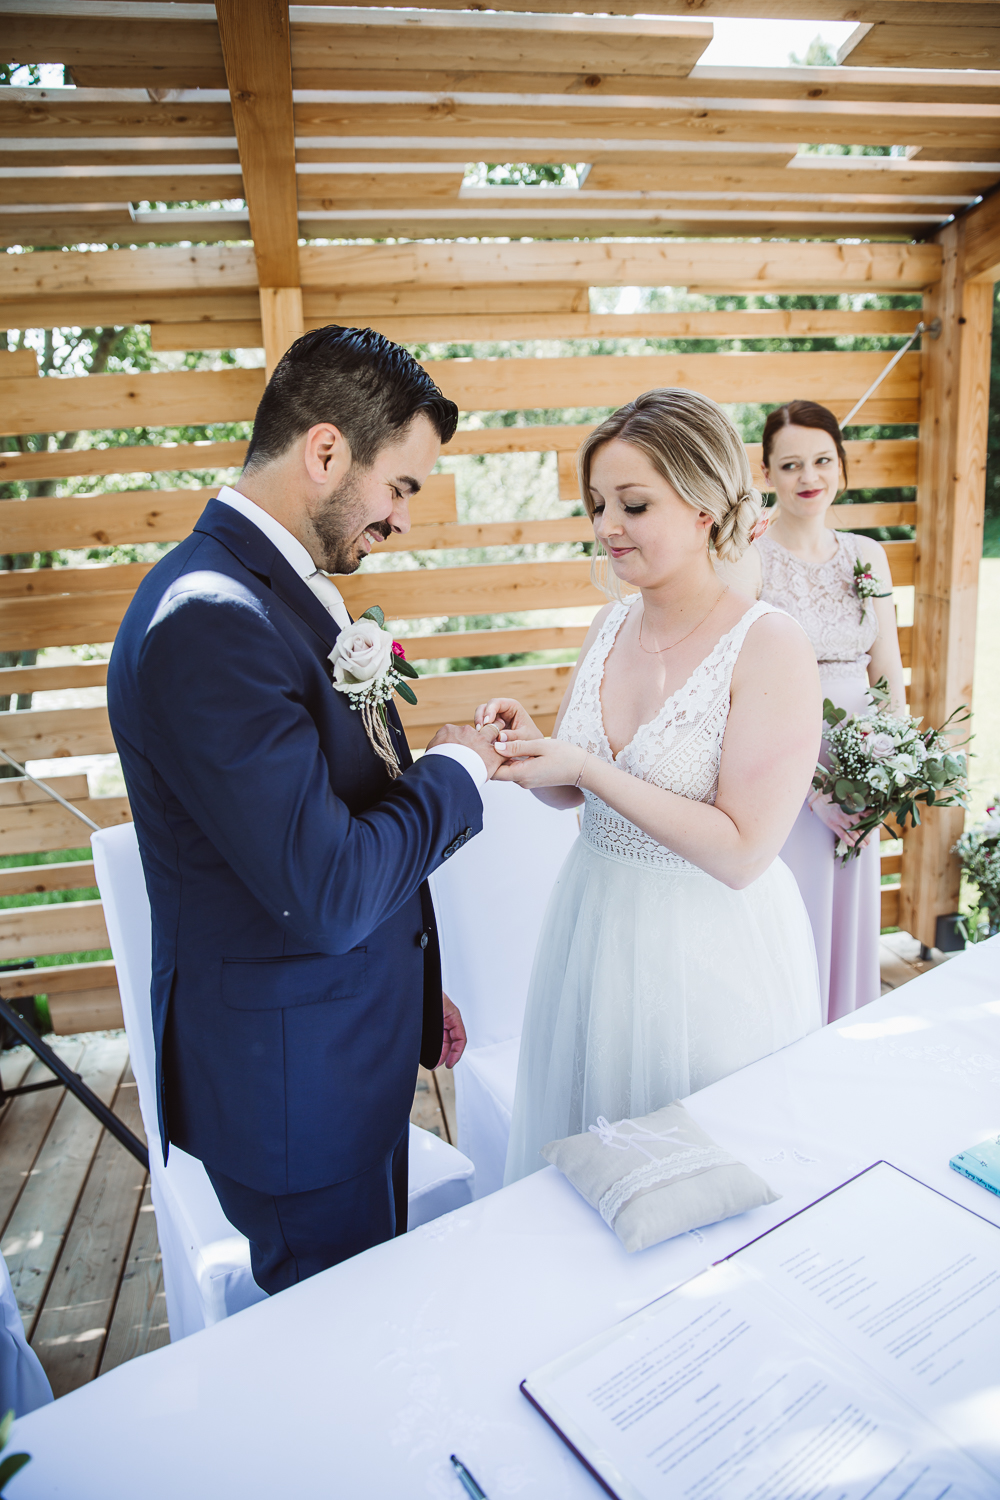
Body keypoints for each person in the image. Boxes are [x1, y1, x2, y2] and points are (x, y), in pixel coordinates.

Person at [109, 326, 502, 1294]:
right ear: (325, 451)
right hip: (295, 1096)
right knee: (344, 1354)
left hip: (332, 1045)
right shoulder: (213, 618)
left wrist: (405, 980)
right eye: (400, 486)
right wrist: (459, 771)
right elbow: (325, 888)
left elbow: (317, 827)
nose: (403, 519)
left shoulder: (271, 592)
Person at [476, 388, 824, 1185]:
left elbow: (743, 852)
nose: (606, 527)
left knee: (696, 1181)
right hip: (595, 926)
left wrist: (587, 767)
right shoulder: (610, 626)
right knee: (586, 1168)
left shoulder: (769, 646)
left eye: (632, 504)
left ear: (705, 507)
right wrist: (529, 752)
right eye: (598, 505)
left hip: (706, 952)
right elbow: (573, 793)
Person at [723, 400, 906, 1022]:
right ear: (768, 473)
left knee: (849, 892)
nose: (810, 476)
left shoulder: (867, 556)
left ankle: (847, 1025)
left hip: (863, 762)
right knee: (789, 898)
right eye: (792, 463)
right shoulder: (750, 558)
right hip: (782, 754)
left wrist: (894, 764)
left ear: (841, 467)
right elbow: (735, 664)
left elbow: (888, 671)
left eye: (823, 460)